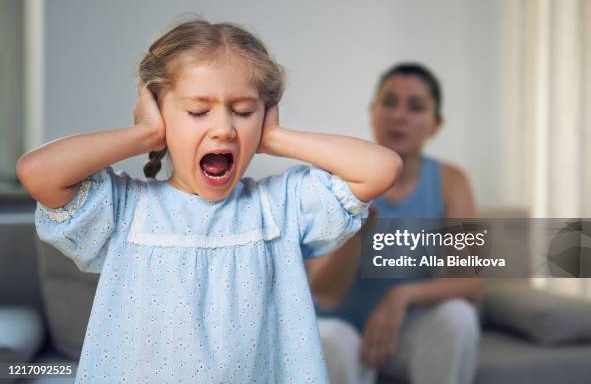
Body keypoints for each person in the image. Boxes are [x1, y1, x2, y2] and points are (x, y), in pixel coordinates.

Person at [16, 19, 402, 383]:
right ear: (159, 112)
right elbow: (37, 171)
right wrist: (147, 133)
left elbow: (381, 167)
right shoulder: (127, 210)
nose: (223, 129)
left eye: (243, 111)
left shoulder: (280, 206)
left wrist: (276, 138)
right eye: (198, 111)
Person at [309, 63, 482, 384]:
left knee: (459, 317)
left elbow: (471, 282)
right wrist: (357, 232)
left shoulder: (451, 181)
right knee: (333, 340)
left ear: (436, 123)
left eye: (415, 107)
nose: (399, 115)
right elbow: (323, 290)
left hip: (404, 330)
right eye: (389, 103)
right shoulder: (336, 179)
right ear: (373, 111)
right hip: (339, 329)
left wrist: (402, 295)